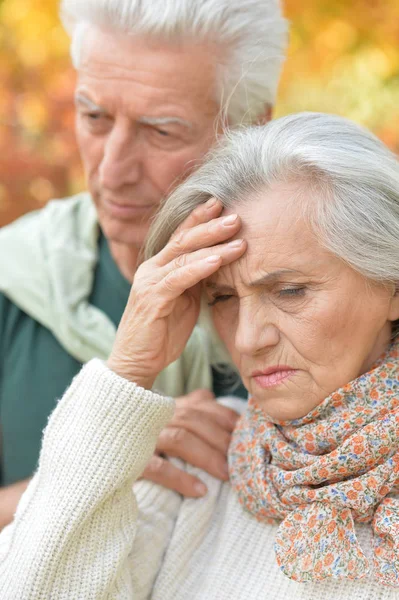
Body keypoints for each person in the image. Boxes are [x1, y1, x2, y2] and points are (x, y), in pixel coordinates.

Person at [1, 112, 399, 599]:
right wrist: (127, 372)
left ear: (392, 285)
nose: (249, 339)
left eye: (291, 290)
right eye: (223, 299)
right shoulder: (200, 460)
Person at [0, 0, 288, 526]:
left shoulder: (323, 296)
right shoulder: (10, 279)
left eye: (161, 131)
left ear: (251, 125)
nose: (112, 171)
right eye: (94, 117)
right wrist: (102, 455)